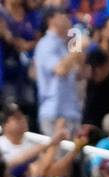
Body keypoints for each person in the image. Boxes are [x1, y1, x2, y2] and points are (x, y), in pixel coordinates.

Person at [33, 6, 83, 134]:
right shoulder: (46, 44)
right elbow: (60, 69)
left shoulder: (63, 45)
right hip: (54, 112)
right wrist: (76, 49)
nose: (67, 18)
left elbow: (81, 74)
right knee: (57, 154)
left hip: (71, 111)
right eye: (63, 15)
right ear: (51, 20)